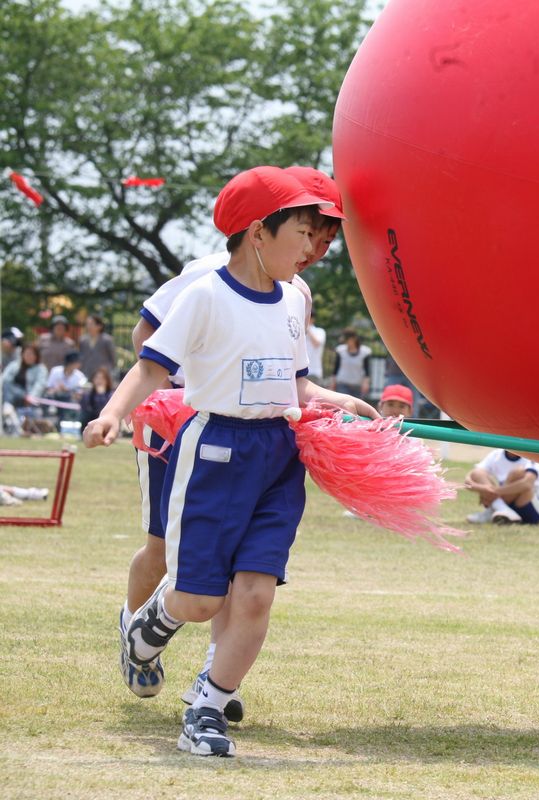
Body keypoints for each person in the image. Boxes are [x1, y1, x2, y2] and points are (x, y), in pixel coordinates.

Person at [84, 165, 374, 758]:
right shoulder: (205, 291)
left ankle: (208, 708)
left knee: (256, 594)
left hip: (278, 456)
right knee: (198, 601)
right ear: (257, 232)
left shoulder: (295, 296)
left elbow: (297, 385)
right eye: (302, 230)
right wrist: (113, 414)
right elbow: (151, 364)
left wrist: (336, 401)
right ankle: (145, 630)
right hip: (214, 448)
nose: (314, 247)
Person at [464, 449, 539, 525]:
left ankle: (495, 508)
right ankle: (501, 509)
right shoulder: (496, 454)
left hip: (532, 509)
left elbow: (527, 484)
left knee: (518, 473)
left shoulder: (532, 456)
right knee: (477, 474)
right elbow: (471, 477)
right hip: (507, 501)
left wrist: (494, 491)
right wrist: (483, 489)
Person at [2, 343, 48, 434]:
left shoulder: (41, 369)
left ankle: (8, 407)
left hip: (28, 399)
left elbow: (40, 385)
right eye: (27, 354)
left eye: (32, 354)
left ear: (36, 356)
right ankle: (8, 406)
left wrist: (31, 397)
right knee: (7, 386)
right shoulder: (14, 365)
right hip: (12, 396)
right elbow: (4, 380)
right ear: (22, 354)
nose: (29, 356)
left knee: (11, 391)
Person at [44, 351, 88, 421]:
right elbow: (48, 388)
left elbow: (79, 394)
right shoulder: (55, 371)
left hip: (69, 400)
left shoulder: (80, 376)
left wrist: (67, 390)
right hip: (55, 397)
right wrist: (57, 389)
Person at [333, 330, 371, 398]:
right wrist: (333, 382)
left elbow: (366, 370)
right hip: (342, 383)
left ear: (354, 339)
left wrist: (366, 383)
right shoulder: (340, 350)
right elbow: (336, 368)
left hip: (357, 385)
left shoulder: (364, 352)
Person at [78, 314, 118, 380]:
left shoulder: (107, 340)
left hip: (102, 375)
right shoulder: (83, 340)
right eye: (87, 324)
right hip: (86, 373)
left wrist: (108, 370)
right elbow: (80, 356)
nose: (88, 326)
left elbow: (113, 358)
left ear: (99, 326)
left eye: (91, 324)